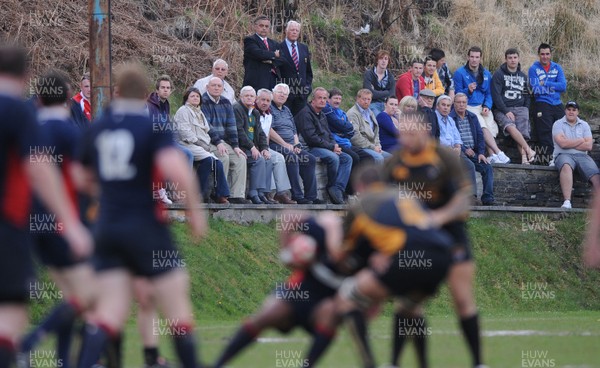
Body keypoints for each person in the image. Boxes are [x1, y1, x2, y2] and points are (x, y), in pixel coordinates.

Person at [75, 65, 207, 368]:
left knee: (108, 312)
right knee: (176, 305)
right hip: (145, 225)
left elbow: (79, 176)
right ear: (145, 93)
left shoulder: (98, 127)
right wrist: (195, 212)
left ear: (116, 93)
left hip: (106, 226)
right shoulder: (152, 125)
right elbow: (175, 169)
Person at [306, 170, 456, 368]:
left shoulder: (361, 204)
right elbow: (411, 228)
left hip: (406, 255)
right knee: (409, 308)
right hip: (443, 255)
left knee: (347, 298)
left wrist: (331, 227)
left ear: (360, 187)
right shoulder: (406, 196)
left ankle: (368, 363)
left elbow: (340, 254)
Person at [0, 44, 92, 368]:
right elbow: (54, 172)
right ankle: (31, 344)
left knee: (73, 296)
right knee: (85, 294)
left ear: (38, 94)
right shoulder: (58, 128)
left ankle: (62, 360)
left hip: (29, 220)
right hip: (41, 221)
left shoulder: (34, 119)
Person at [383, 112, 485, 368]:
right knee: (408, 303)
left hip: (451, 235)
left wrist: (437, 218)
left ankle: (478, 363)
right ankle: (397, 363)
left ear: (425, 130)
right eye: (402, 133)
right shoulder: (394, 163)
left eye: (411, 133)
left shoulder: (444, 157)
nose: (406, 139)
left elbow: (463, 198)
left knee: (462, 298)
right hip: (417, 241)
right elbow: (383, 202)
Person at [212, 211, 346, 368]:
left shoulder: (364, 249)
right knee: (268, 313)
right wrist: (286, 254)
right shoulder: (323, 229)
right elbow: (289, 217)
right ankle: (218, 364)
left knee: (330, 311)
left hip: (326, 304)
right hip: (298, 292)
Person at [174, 87, 230, 204]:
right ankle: (221, 194)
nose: (195, 98)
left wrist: (208, 143)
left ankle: (201, 194)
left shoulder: (200, 113)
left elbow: (207, 130)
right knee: (215, 161)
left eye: (197, 96)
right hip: (187, 144)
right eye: (192, 96)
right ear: (186, 99)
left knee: (210, 161)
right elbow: (185, 133)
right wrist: (200, 143)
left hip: (201, 146)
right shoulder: (183, 111)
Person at [295, 87, 352, 204]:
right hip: (309, 148)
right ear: (313, 100)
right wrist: (331, 147)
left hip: (322, 146)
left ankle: (337, 188)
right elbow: (311, 138)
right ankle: (331, 186)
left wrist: (334, 144)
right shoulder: (305, 114)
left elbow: (328, 134)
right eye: (319, 98)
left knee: (347, 158)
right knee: (333, 157)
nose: (322, 100)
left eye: (325, 98)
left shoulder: (322, 114)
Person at [454, 46, 510, 164]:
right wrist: (467, 91)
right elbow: (457, 95)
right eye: (472, 57)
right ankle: (498, 152)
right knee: (482, 126)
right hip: (468, 106)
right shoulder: (460, 73)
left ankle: (491, 155)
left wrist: (487, 106)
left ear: (480, 58)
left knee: (491, 127)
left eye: (477, 57)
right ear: (468, 57)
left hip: (482, 106)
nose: (474, 59)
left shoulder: (486, 73)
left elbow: (490, 93)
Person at [201, 77, 250, 204]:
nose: (217, 88)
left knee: (240, 158)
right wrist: (218, 142)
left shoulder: (226, 102)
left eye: (219, 86)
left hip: (224, 142)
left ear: (223, 88)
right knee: (224, 156)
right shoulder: (202, 101)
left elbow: (232, 126)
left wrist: (235, 146)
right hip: (208, 141)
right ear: (207, 87)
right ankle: (219, 194)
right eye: (214, 85)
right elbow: (207, 126)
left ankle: (236, 195)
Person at [147, 74, 193, 205]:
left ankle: (179, 193)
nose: (165, 90)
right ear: (157, 89)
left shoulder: (166, 104)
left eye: (168, 88)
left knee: (187, 154)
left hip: (166, 141)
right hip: (155, 142)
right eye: (163, 87)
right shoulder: (150, 105)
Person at [269, 83, 319, 204]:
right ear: (273, 93)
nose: (282, 95)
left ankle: (311, 196)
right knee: (292, 158)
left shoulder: (287, 110)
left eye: (285, 94)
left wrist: (296, 145)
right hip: (275, 145)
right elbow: (269, 130)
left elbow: (294, 130)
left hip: (291, 146)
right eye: (279, 92)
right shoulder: (269, 108)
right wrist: (285, 144)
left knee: (310, 159)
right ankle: (297, 195)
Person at [552, 101, 600, 209]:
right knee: (566, 165)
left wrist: (569, 143)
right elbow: (562, 144)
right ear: (565, 111)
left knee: (596, 175)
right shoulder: (558, 124)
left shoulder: (584, 124)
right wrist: (581, 140)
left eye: (574, 110)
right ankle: (567, 202)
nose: (571, 112)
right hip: (563, 154)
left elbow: (588, 146)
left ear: (578, 112)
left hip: (583, 156)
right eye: (569, 109)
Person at [492, 48, 536, 164]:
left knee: (522, 133)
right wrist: (506, 111)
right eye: (510, 58)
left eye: (515, 57)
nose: (513, 60)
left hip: (521, 108)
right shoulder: (498, 75)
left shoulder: (523, 76)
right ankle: (528, 150)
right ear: (506, 59)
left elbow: (527, 95)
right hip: (502, 109)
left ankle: (525, 159)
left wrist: (526, 108)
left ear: (518, 58)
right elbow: (496, 96)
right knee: (510, 126)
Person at [451, 93, 495, 205]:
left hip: (474, 152)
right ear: (454, 104)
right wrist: (465, 149)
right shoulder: (451, 117)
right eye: (458, 102)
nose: (461, 105)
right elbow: (452, 138)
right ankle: (472, 197)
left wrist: (481, 153)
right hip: (459, 151)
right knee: (469, 166)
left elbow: (480, 135)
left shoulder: (472, 116)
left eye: (464, 102)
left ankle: (488, 198)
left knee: (487, 167)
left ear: (467, 104)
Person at [233, 86, 274, 204]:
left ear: (255, 98)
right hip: (241, 146)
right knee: (259, 160)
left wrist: (264, 148)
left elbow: (261, 133)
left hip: (252, 146)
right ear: (241, 97)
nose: (249, 98)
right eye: (246, 96)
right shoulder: (237, 108)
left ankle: (262, 193)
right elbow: (239, 131)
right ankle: (253, 192)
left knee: (268, 159)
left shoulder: (255, 112)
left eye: (251, 96)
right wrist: (252, 147)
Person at [255, 88, 296, 204]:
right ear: (257, 99)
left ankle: (281, 193)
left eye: (268, 101)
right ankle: (269, 192)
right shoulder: (252, 112)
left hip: (263, 147)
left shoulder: (268, 115)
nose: (265, 103)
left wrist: (265, 148)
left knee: (278, 157)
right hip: (252, 147)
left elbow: (266, 134)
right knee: (268, 159)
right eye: (262, 100)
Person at [322, 88, 364, 196]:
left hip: (346, 142)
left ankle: (363, 190)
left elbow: (351, 131)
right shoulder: (327, 110)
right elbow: (339, 125)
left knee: (367, 156)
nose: (338, 101)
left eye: (340, 99)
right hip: (335, 142)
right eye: (335, 98)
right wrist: (345, 127)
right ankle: (348, 191)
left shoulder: (341, 112)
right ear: (329, 100)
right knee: (353, 157)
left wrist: (345, 128)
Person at [529, 43, 567, 165]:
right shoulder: (533, 69)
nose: (545, 57)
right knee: (545, 132)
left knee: (563, 129)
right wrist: (554, 87)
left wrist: (545, 82)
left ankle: (564, 159)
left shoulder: (557, 67)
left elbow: (563, 86)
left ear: (551, 54)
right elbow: (535, 90)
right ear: (539, 55)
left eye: (547, 54)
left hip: (557, 103)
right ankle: (550, 160)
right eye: (542, 54)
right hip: (542, 103)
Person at [346, 89, 391, 163]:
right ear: (358, 99)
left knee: (391, 158)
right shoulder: (353, 114)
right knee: (379, 158)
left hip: (373, 146)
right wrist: (373, 147)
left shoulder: (370, 112)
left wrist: (378, 145)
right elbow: (355, 136)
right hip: (361, 147)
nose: (366, 102)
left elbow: (376, 132)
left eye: (368, 99)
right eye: (364, 99)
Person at [278, 20, 313, 116]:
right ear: (286, 31)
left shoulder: (304, 48)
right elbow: (277, 71)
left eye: (297, 30)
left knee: (301, 124)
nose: (294, 32)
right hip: (286, 95)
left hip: (302, 95)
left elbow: (308, 71)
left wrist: (308, 88)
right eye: (292, 30)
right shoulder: (278, 47)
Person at [243, 15, 282, 92]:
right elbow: (259, 53)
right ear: (255, 26)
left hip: (272, 81)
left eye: (266, 26)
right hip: (256, 82)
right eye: (261, 25)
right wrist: (274, 55)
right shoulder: (250, 40)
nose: (264, 28)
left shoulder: (274, 43)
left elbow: (281, 59)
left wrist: (267, 58)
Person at [363, 50, 395, 116]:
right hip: (372, 104)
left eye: (386, 59)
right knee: (380, 117)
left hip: (386, 105)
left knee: (398, 118)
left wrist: (376, 92)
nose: (383, 61)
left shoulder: (390, 77)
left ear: (388, 61)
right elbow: (370, 94)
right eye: (381, 58)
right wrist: (386, 92)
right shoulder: (369, 74)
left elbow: (392, 95)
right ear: (377, 60)